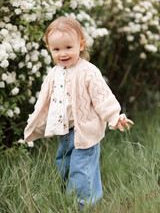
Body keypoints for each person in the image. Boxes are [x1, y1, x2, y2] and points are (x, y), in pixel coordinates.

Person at [24, 16, 134, 210]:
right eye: (57, 49)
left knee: (82, 168)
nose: (63, 53)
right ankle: (68, 198)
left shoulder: (88, 71)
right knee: (64, 164)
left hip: (85, 130)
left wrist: (114, 116)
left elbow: (102, 97)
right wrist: (35, 119)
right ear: (50, 49)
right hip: (64, 130)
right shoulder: (54, 73)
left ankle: (84, 204)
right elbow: (44, 100)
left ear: (81, 45)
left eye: (68, 47)